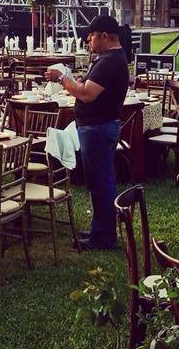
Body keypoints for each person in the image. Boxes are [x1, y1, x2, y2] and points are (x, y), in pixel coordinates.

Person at [44, 15, 129, 250]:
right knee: (100, 181)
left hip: (98, 128)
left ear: (104, 36)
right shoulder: (108, 58)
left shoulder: (111, 60)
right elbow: (91, 87)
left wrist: (63, 78)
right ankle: (100, 229)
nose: (88, 40)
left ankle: (103, 237)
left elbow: (86, 94)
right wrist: (80, 80)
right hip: (98, 126)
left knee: (101, 183)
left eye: (91, 36)